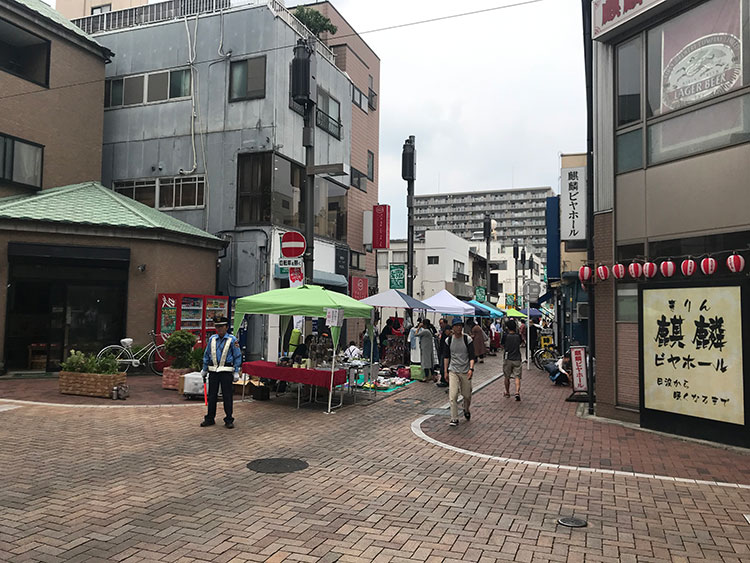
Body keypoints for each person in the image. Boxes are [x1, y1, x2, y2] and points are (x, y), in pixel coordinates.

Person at [201, 316, 243, 428]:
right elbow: (207, 354)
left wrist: (236, 371)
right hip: (213, 371)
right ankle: (210, 418)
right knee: (212, 396)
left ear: (226, 327)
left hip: (226, 371)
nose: (219, 329)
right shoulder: (212, 339)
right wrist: (204, 369)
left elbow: (237, 356)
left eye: (221, 326)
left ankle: (229, 419)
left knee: (227, 396)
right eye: (217, 326)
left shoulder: (232, 340)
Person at [444, 317, 476, 426]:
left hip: (465, 370)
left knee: (467, 395)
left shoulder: (467, 340)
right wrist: (445, 371)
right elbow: (446, 357)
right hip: (453, 370)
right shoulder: (448, 340)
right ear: (453, 328)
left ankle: (466, 409)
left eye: (460, 326)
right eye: (457, 326)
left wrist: (471, 369)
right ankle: (454, 418)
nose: (459, 328)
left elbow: (472, 356)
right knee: (452, 395)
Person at [501, 319, 523, 401]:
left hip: (507, 358)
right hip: (517, 358)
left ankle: (507, 392)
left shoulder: (505, 336)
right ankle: (517, 392)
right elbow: (520, 343)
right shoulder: (518, 336)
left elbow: (502, 345)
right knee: (517, 377)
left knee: (507, 376)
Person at [436, 323, 451, 388]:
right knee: (442, 368)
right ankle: (444, 381)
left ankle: (446, 381)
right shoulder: (444, 336)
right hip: (443, 353)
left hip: (448, 354)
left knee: (444, 368)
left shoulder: (451, 337)